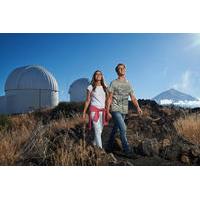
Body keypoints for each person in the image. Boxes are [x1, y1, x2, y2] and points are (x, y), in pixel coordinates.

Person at [106, 63, 142, 154]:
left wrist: (138, 107)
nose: (121, 69)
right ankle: (127, 150)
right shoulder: (113, 83)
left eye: (122, 68)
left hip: (124, 110)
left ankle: (108, 147)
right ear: (117, 71)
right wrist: (107, 110)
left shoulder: (128, 83)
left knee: (116, 128)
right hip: (115, 108)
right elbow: (109, 98)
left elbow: (132, 97)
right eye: (119, 68)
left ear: (125, 70)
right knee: (123, 128)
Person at [83, 70, 109, 148]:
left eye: (100, 74)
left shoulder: (105, 87)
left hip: (103, 111)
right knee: (97, 130)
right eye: (96, 74)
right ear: (94, 76)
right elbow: (88, 100)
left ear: (102, 76)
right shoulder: (90, 87)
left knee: (100, 130)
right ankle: (100, 149)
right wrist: (84, 112)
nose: (98, 75)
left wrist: (108, 110)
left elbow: (108, 99)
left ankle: (94, 144)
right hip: (94, 110)